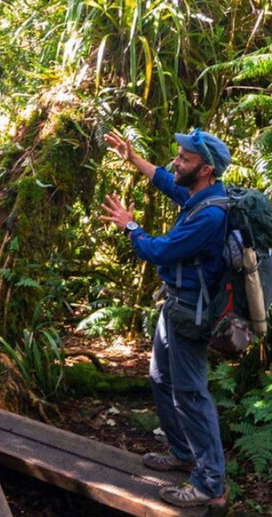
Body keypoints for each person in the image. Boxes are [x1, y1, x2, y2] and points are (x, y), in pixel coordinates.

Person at [99, 128, 231, 509]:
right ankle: (183, 452)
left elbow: (161, 251)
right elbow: (166, 181)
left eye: (185, 159)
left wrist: (130, 225)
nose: (177, 162)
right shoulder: (197, 196)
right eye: (178, 155)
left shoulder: (210, 214)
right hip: (175, 305)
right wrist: (133, 158)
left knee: (190, 393)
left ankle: (210, 484)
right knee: (161, 379)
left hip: (193, 311)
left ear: (205, 169)